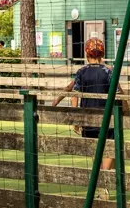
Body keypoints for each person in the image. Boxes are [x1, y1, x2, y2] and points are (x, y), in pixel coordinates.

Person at [51, 37, 120, 174]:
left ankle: (100, 178)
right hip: (107, 119)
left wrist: (76, 118)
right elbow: (118, 93)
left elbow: (74, 92)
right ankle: (104, 176)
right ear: (103, 54)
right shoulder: (108, 72)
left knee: (95, 150)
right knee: (110, 149)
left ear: (86, 54)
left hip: (88, 119)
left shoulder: (81, 72)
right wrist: (126, 107)